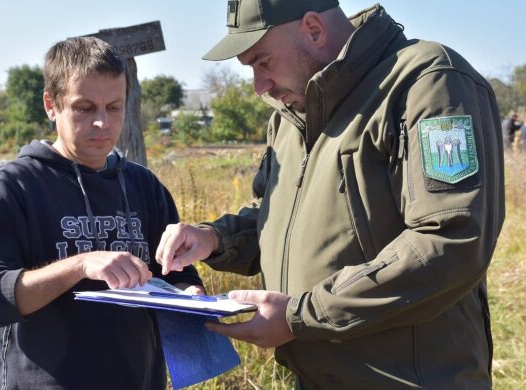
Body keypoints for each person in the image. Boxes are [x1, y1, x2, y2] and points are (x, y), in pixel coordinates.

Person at [156, 1, 504, 388]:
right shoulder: (290, 115)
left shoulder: (428, 83)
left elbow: (450, 240)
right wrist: (216, 239)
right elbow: (280, 219)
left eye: (263, 62)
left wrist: (300, 316)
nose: (259, 86)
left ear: (314, 29)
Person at [0, 36, 203, 389]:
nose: (102, 123)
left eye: (114, 107)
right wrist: (79, 266)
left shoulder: (143, 185)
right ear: (51, 105)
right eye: (85, 108)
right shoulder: (15, 186)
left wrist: (190, 295)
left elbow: (178, 273)